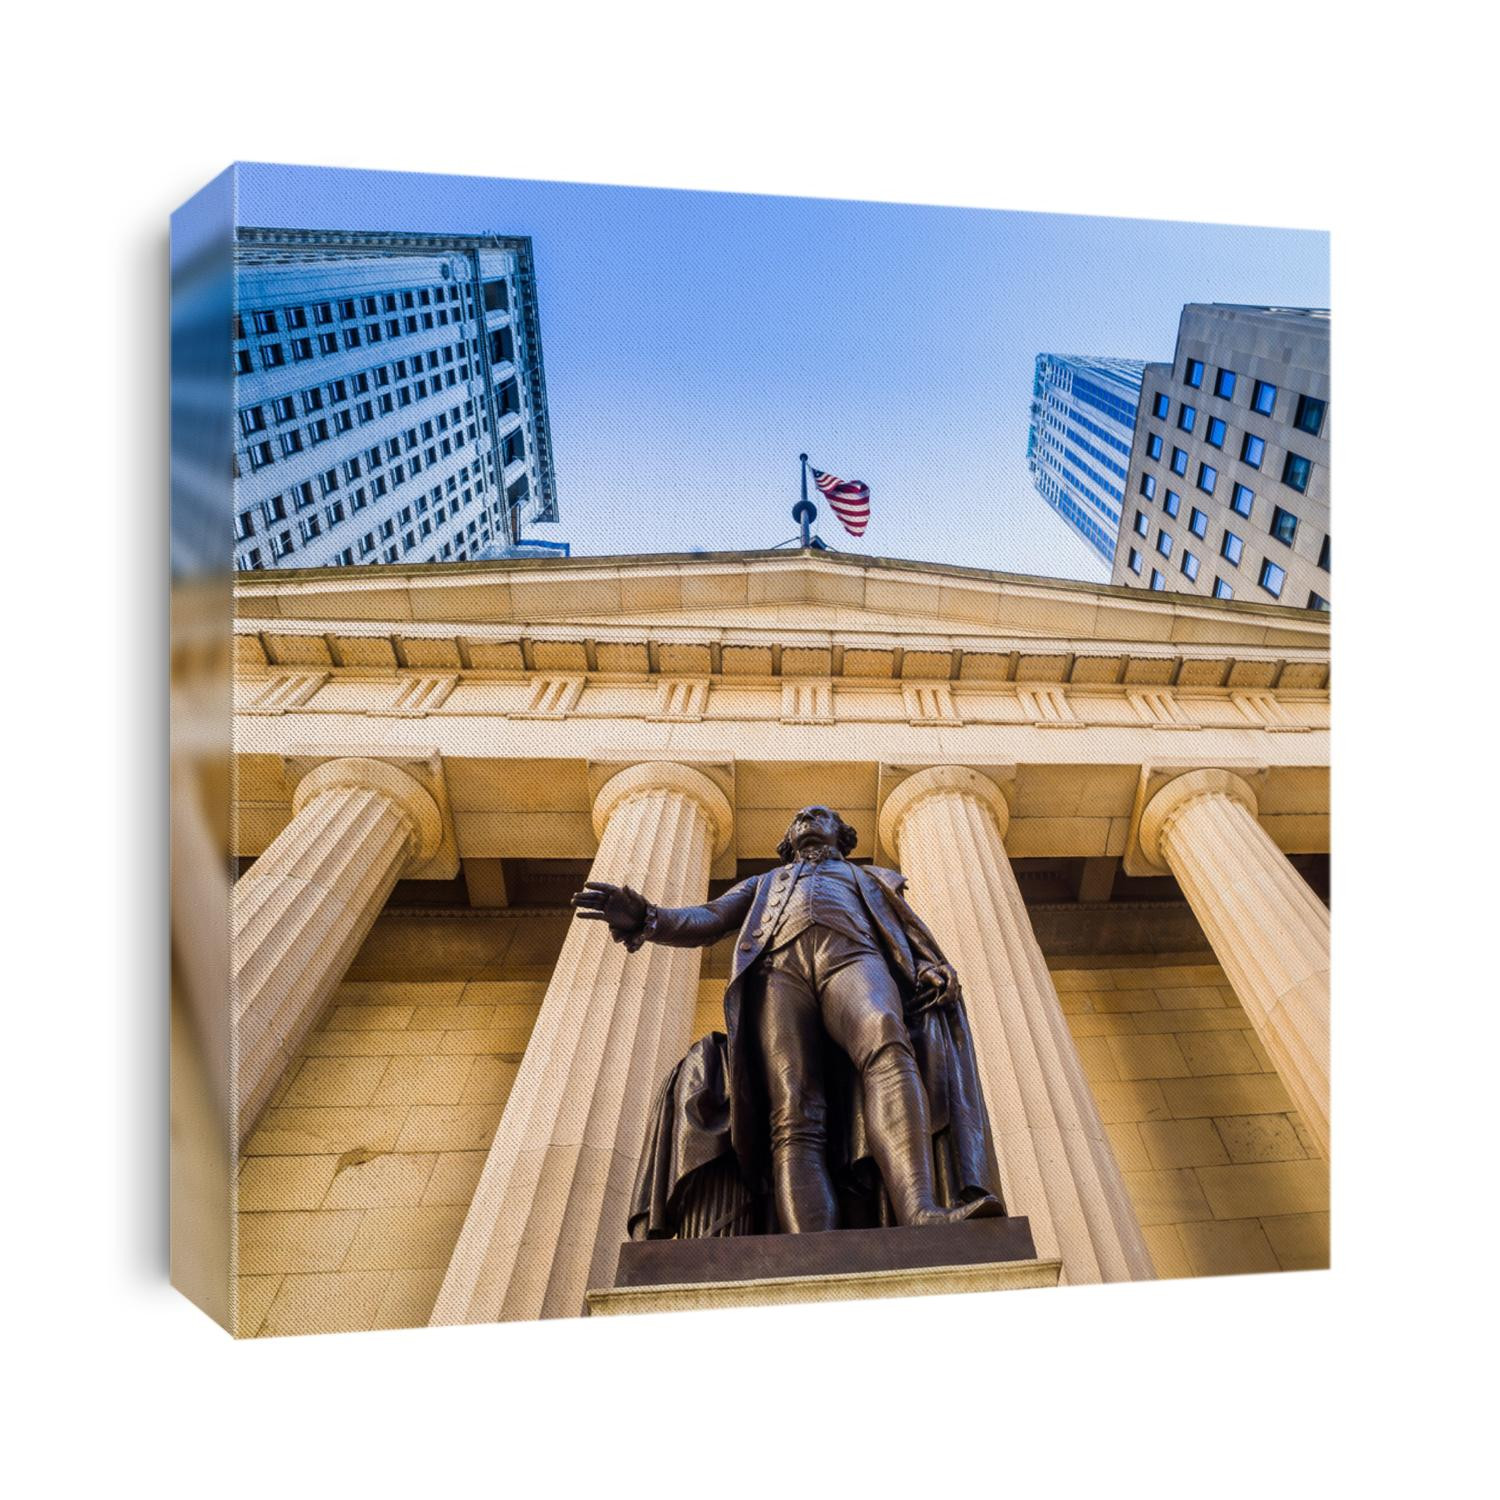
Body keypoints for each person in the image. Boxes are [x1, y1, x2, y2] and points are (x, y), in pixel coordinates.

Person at [572, 805, 1002, 1233]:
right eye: (798, 819)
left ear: (843, 835)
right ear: (788, 840)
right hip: (777, 972)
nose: (806, 820)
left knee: (886, 1038)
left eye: (819, 815)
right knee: (794, 1107)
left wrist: (926, 966)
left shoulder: (869, 878)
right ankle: (811, 1245)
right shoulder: (763, 884)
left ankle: (919, 1210)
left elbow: (905, 932)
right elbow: (710, 918)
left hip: (853, 956)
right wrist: (649, 917)